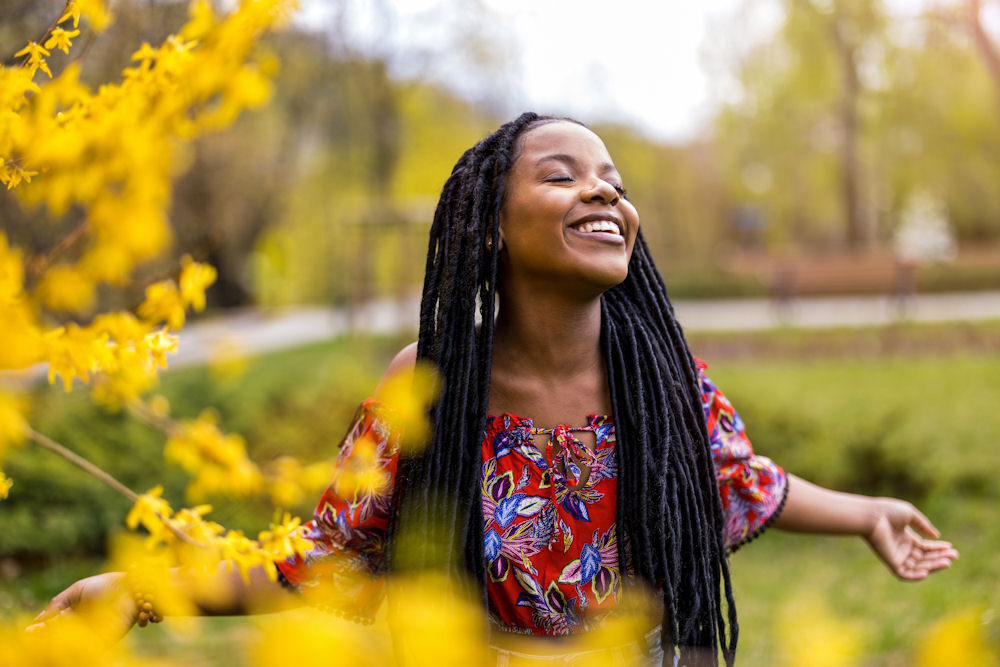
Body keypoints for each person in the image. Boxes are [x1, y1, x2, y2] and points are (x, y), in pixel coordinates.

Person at [33, 114, 958, 665]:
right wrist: (141, 590)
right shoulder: (429, 385)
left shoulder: (659, 373)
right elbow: (321, 555)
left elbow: (739, 480)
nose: (604, 193)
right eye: (563, 176)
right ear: (486, 229)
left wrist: (869, 509)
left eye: (614, 181)